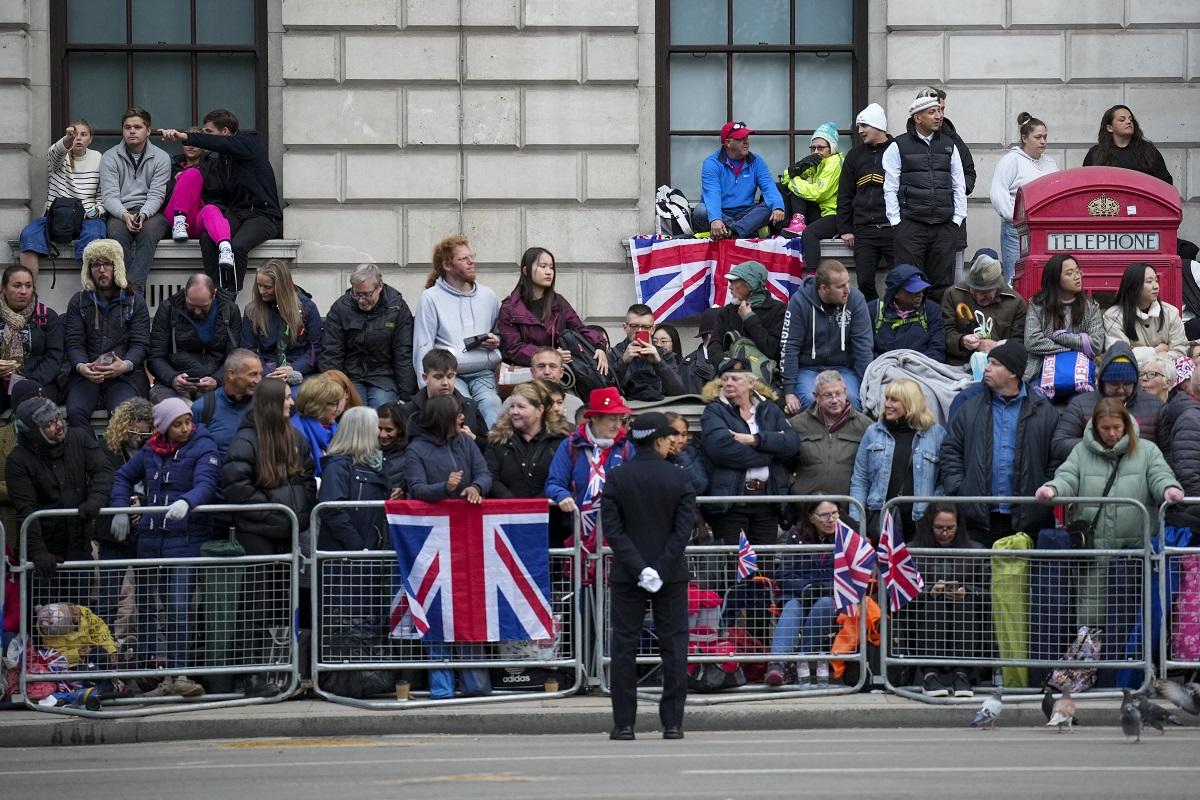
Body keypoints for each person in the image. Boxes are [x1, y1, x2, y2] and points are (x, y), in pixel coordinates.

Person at [1036, 398, 1182, 629]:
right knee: (1092, 616)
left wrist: (1168, 489)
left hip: (1134, 553)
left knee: (1132, 619)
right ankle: (1095, 661)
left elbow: (1159, 475)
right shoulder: (1080, 452)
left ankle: (1126, 663)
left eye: (1117, 427)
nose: (1112, 434)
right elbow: (1067, 477)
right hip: (1093, 551)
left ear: (1126, 424)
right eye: (1105, 428)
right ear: (1095, 427)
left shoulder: (1148, 451)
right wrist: (1052, 489)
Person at [109, 397, 220, 698]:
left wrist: (188, 501)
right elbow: (123, 476)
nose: (186, 428)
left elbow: (206, 483)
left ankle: (180, 672)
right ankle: (151, 673)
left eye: (187, 421)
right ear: (163, 428)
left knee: (178, 605)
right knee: (145, 608)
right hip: (150, 539)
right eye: (178, 424)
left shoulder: (203, 446)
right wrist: (119, 508)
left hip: (185, 540)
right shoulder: (149, 450)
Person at [601, 411, 695, 740]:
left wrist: (640, 568)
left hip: (629, 575)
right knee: (674, 646)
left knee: (625, 646)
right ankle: (673, 723)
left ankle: (624, 724)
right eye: (669, 437)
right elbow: (683, 530)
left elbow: (613, 531)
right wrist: (661, 567)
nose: (673, 441)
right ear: (657, 440)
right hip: (669, 575)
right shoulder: (679, 477)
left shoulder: (616, 477)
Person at [220, 377, 316, 695]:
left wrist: (298, 516)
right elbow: (236, 486)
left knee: (282, 606)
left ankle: (277, 672)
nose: (292, 402)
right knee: (256, 606)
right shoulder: (246, 439)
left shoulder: (296, 438)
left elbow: (306, 479)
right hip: (258, 534)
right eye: (287, 397)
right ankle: (250, 675)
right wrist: (275, 513)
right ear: (272, 403)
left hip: (287, 533)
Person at [938, 341, 1057, 547]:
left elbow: (1055, 457)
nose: (986, 368)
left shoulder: (1044, 411)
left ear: (1013, 373)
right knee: (979, 578)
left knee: (1022, 579)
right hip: (978, 520)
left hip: (1028, 519)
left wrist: (1044, 492)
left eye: (994, 363)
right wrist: (961, 488)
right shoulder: (969, 407)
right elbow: (951, 451)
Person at [159, 109, 283, 292]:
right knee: (208, 238)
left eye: (208, 131)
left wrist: (185, 136)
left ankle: (228, 298)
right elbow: (208, 185)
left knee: (238, 247)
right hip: (237, 213)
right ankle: (214, 290)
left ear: (224, 131)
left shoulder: (250, 144)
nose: (206, 136)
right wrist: (184, 178)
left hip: (263, 215)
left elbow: (223, 145)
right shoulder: (217, 159)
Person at [6, 397, 113, 578]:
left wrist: (96, 499)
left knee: (80, 606)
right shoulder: (18, 461)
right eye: (49, 423)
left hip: (79, 548)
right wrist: (38, 551)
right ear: (34, 433)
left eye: (58, 417)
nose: (58, 424)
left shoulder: (78, 437)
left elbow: (104, 470)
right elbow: (26, 509)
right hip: (44, 556)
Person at [700, 358, 800, 547]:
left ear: (751, 383)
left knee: (764, 569)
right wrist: (771, 451)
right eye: (725, 379)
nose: (728, 383)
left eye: (735, 379)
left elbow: (792, 444)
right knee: (734, 568)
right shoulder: (714, 411)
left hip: (767, 500)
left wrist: (755, 440)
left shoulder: (769, 409)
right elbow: (723, 450)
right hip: (732, 503)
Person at [883, 88, 968, 301]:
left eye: (939, 110)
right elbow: (889, 187)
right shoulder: (898, 145)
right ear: (917, 117)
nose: (939, 116)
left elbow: (959, 184)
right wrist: (897, 223)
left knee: (941, 288)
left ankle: (937, 332)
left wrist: (956, 220)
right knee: (909, 285)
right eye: (932, 112)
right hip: (911, 226)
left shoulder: (950, 145)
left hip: (944, 227)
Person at [62, 239, 151, 430]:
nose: (101, 270)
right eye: (95, 265)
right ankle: (92, 459)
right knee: (75, 412)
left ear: (116, 266)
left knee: (123, 415)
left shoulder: (135, 301)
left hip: (125, 375)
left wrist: (125, 365)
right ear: (88, 270)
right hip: (87, 374)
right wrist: (81, 367)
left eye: (107, 264)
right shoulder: (78, 302)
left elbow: (140, 344)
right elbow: (74, 343)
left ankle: (121, 460)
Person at [414, 237, 502, 427]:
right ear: (447, 264)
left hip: (483, 373)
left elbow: (500, 332)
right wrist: (427, 389)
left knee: (493, 406)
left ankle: (492, 455)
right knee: (464, 409)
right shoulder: (430, 298)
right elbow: (423, 346)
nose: (472, 262)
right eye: (464, 259)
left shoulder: (488, 295)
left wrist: (496, 340)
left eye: (472, 256)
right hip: (449, 374)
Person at [904, 503, 986, 697]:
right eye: (939, 527)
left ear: (959, 526)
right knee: (936, 604)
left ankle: (962, 674)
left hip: (963, 611)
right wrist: (928, 592)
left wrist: (967, 592)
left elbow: (987, 592)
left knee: (963, 604)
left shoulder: (976, 551)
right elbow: (902, 593)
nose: (945, 533)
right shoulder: (911, 551)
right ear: (928, 526)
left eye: (950, 528)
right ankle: (929, 674)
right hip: (924, 613)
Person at [850, 377, 945, 540]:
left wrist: (934, 512)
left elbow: (943, 481)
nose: (887, 404)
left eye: (894, 400)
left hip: (921, 523)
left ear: (910, 404)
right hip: (879, 519)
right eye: (886, 398)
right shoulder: (872, 432)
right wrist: (857, 523)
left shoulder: (936, 434)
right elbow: (860, 479)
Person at [546, 386, 635, 554]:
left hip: (618, 533)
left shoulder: (626, 447)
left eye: (620, 419)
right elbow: (553, 483)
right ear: (594, 418)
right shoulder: (571, 445)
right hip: (578, 533)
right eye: (611, 419)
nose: (618, 426)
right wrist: (562, 495)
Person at [763, 500, 840, 688]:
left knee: (824, 603)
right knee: (791, 607)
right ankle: (777, 665)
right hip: (799, 594)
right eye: (824, 515)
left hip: (831, 597)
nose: (831, 519)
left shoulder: (845, 536)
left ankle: (799, 659)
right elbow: (784, 573)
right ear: (811, 518)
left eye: (835, 513)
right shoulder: (796, 536)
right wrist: (807, 588)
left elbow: (848, 575)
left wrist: (821, 587)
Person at [780, 259, 873, 413]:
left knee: (851, 402)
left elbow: (863, 346)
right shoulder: (799, 302)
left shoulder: (856, 299)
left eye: (847, 283)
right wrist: (789, 391)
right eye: (840, 286)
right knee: (812, 402)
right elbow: (789, 346)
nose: (847, 290)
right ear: (823, 288)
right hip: (808, 369)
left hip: (843, 368)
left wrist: (866, 385)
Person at [497, 246, 609, 374]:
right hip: (526, 375)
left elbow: (580, 329)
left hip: (558, 375)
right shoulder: (510, 307)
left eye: (551, 267)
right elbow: (513, 348)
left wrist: (599, 346)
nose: (549, 272)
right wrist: (550, 356)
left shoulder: (558, 302)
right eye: (543, 266)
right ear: (526, 270)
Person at [18, 120, 106, 279]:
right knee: (29, 235)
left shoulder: (97, 158)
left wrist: (97, 210)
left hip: (87, 216)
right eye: (75, 134)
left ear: (90, 139)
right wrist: (67, 140)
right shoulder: (58, 155)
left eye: (83, 135)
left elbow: (102, 196)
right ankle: (28, 293)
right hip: (56, 216)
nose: (78, 138)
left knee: (94, 237)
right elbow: (57, 151)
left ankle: (90, 293)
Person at [1050, 341, 1163, 465]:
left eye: (1127, 384)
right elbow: (1059, 445)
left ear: (1135, 383)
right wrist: (1101, 443)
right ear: (1103, 382)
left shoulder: (1155, 407)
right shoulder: (1080, 405)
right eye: (1114, 384)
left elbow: (1167, 451)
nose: (1120, 390)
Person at [320, 262, 417, 407]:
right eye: (356, 294)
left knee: (381, 411)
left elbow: (403, 354)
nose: (361, 300)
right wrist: (333, 389)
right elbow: (331, 352)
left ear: (380, 287)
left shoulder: (397, 308)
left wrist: (407, 398)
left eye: (367, 294)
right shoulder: (341, 308)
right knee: (355, 414)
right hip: (350, 377)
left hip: (384, 377)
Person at [94, 397, 153, 630]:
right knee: (108, 596)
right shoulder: (105, 450)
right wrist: (125, 505)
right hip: (113, 530)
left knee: (147, 599)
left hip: (144, 529)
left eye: (144, 434)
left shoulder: (156, 451)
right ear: (122, 425)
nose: (138, 438)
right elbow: (102, 484)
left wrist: (144, 503)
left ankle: (148, 658)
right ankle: (102, 655)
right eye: (132, 432)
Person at [99, 107, 171, 294]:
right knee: (116, 234)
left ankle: (130, 292)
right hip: (119, 211)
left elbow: (157, 194)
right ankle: (131, 291)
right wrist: (124, 215)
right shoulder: (110, 157)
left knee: (149, 233)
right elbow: (109, 196)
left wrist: (143, 215)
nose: (131, 131)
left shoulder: (161, 157)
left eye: (137, 127)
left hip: (151, 212)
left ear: (148, 131)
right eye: (127, 127)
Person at [148, 273, 242, 402]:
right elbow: (155, 357)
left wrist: (218, 379)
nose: (197, 311)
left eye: (203, 307)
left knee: (211, 407)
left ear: (214, 295)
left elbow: (234, 357)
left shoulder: (230, 311)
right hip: (175, 378)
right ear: (185, 293)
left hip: (215, 380)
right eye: (192, 305)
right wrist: (172, 378)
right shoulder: (169, 309)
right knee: (174, 409)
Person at [989, 113, 1060, 282]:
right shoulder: (1011, 161)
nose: (1043, 141)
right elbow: (997, 192)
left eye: (1045, 137)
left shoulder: (1050, 163)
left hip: (1044, 227)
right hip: (1016, 229)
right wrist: (1013, 217)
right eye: (1037, 137)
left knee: (1044, 276)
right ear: (1024, 138)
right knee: (1015, 275)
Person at [836, 103, 894, 303]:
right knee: (865, 281)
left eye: (864, 126)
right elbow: (844, 193)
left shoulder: (898, 150)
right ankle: (873, 319)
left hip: (893, 229)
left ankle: (892, 318)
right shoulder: (855, 155)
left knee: (899, 281)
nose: (859, 131)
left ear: (878, 125)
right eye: (858, 126)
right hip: (864, 231)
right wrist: (845, 228)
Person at [315, 406, 390, 551]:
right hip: (345, 559)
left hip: (372, 551)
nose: (379, 433)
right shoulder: (337, 466)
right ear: (364, 432)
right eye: (376, 427)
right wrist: (359, 546)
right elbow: (332, 510)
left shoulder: (377, 464)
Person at [1023, 254, 1105, 385]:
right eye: (1070, 273)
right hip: (1041, 372)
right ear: (1055, 279)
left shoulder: (1091, 307)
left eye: (1078, 271)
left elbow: (1096, 344)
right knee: (1038, 401)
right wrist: (1076, 346)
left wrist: (1060, 336)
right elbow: (1032, 342)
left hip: (1080, 373)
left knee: (1083, 402)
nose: (1077, 276)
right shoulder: (1037, 305)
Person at [788, 370, 871, 499]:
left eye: (838, 394)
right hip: (806, 507)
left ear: (845, 393)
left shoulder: (865, 426)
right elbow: (783, 465)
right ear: (816, 396)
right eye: (828, 395)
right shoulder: (797, 425)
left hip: (849, 507)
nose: (834, 400)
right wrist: (793, 487)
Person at [240, 259, 322, 387]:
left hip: (297, 370)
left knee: (296, 399)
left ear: (282, 287)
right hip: (264, 371)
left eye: (267, 287)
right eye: (259, 285)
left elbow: (315, 348)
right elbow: (247, 349)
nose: (261, 291)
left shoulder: (307, 308)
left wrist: (294, 368)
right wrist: (267, 372)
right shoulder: (252, 311)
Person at [698, 121, 786, 240]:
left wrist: (778, 207)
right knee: (700, 211)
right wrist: (716, 219)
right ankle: (745, 230)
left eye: (747, 138)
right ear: (728, 143)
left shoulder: (757, 161)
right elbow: (712, 194)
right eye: (740, 139)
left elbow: (768, 186)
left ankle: (732, 233)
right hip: (721, 212)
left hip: (746, 213)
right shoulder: (711, 163)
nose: (746, 142)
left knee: (771, 205)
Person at [940, 250, 1027, 368]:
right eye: (974, 290)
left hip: (999, 366)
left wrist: (998, 346)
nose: (980, 297)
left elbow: (1021, 342)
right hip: (958, 364)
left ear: (998, 286)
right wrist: (961, 340)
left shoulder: (1015, 302)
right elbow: (944, 332)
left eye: (986, 292)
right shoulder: (953, 294)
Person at [486, 380, 570, 501]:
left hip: (550, 514)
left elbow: (563, 478)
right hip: (506, 514)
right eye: (512, 406)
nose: (514, 412)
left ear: (540, 410)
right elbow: (490, 476)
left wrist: (535, 505)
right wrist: (513, 503)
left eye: (521, 407)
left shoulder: (561, 439)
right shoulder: (497, 438)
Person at [402, 394, 492, 504]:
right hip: (434, 518)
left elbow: (484, 473)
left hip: (468, 515)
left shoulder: (466, 441)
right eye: (457, 414)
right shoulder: (415, 450)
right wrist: (445, 488)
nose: (463, 417)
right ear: (443, 419)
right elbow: (417, 489)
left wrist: (476, 487)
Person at [778, 122, 845, 266]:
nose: (816, 151)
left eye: (820, 147)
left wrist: (794, 179)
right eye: (812, 148)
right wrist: (799, 166)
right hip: (818, 210)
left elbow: (818, 193)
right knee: (782, 187)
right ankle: (794, 222)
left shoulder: (834, 162)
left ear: (831, 147)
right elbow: (784, 179)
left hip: (833, 214)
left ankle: (812, 276)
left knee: (810, 234)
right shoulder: (817, 162)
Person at [0, 265, 63, 410]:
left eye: (28, 286)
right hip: (2, 383)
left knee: (34, 406)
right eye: (17, 286)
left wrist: (28, 383)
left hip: (40, 381)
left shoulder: (46, 316)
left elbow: (54, 356)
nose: (23, 291)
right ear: (4, 288)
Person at [1102, 262, 1189, 362]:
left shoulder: (1170, 313)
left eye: (1156, 281)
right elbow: (1119, 355)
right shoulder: (1113, 316)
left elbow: (1180, 351)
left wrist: (1145, 358)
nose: (1156, 286)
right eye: (1149, 281)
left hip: (1164, 374)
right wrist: (1156, 351)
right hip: (1131, 374)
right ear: (1133, 286)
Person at [710, 260, 787, 370]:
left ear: (750, 284)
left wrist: (750, 319)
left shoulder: (779, 311)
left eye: (734, 282)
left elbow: (773, 350)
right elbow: (714, 345)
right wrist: (723, 363)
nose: (730, 287)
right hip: (729, 376)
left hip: (766, 377)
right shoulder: (726, 312)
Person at [403, 348, 488, 446]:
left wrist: (473, 439)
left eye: (450, 376)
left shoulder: (470, 407)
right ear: (425, 378)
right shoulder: (409, 412)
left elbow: (488, 447)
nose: (445, 383)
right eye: (438, 377)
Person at [191, 348, 262, 457]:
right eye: (252, 375)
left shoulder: (262, 405)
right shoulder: (203, 408)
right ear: (231, 374)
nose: (258, 380)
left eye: (260, 374)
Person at [608, 304, 687, 402]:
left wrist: (659, 363)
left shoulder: (665, 355)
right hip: (627, 412)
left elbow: (678, 391)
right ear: (625, 327)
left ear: (653, 329)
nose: (640, 331)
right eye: (634, 326)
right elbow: (606, 392)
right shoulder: (614, 354)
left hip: (660, 411)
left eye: (646, 327)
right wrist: (623, 362)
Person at [867, 264, 945, 361]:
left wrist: (915, 366)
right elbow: (864, 350)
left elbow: (937, 348)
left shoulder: (931, 309)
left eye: (922, 289)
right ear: (895, 294)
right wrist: (890, 366)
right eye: (914, 290)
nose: (920, 294)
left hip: (922, 368)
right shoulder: (873, 310)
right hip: (884, 368)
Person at [1082, 105, 1173, 184]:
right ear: (1110, 128)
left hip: (1141, 203)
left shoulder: (1148, 150)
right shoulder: (1095, 153)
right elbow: (1085, 182)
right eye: (1122, 120)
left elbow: (1165, 182)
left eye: (1130, 119)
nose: (1129, 122)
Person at [292, 375, 343, 476]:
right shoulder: (294, 431)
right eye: (334, 404)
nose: (337, 409)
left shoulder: (337, 429)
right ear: (318, 405)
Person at [531, 347, 584, 421]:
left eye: (552, 366)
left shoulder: (575, 404)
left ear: (561, 372)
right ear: (532, 372)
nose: (547, 372)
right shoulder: (516, 403)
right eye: (541, 366)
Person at [376, 402, 408, 497]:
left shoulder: (410, 454)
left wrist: (404, 491)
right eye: (379, 429)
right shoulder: (364, 451)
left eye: (389, 430)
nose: (383, 435)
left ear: (399, 429)